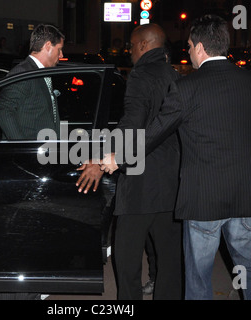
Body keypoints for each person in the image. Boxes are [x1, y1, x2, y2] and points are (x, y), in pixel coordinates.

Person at [100, 14, 251, 300]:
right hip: (235, 195)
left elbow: (148, 130)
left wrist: (116, 158)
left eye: (191, 47)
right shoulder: (241, 80)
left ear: (201, 48)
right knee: (241, 270)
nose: (189, 53)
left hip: (197, 199)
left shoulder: (185, 87)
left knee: (193, 276)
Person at [79, 24, 183, 300]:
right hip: (171, 181)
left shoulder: (141, 74)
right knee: (170, 258)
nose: (129, 51)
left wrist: (105, 159)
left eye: (132, 45)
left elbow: (131, 123)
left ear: (143, 45)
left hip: (140, 182)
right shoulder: (174, 75)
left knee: (126, 257)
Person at [0, 24, 65, 140]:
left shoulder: (39, 72)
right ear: (48, 46)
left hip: (45, 151)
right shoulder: (23, 73)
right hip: (30, 152)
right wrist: (21, 146)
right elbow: (4, 112)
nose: (61, 55)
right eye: (59, 49)